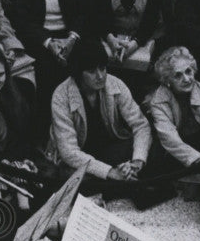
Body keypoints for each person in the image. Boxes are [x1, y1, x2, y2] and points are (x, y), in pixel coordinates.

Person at [11, 0, 99, 123]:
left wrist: (72, 38)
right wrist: (49, 43)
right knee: (46, 76)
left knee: (85, 68)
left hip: (73, 35)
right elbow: (23, 20)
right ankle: (48, 132)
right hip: (41, 40)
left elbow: (86, 12)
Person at [46, 38, 152, 186]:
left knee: (148, 149)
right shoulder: (61, 96)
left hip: (108, 149)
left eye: (103, 68)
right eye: (91, 71)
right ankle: (117, 181)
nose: (100, 76)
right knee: (69, 175)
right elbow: (69, 152)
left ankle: (122, 177)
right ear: (78, 73)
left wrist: (137, 162)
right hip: (79, 157)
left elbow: (140, 125)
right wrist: (109, 172)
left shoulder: (115, 83)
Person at [147, 46, 200, 229]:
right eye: (178, 75)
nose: (186, 78)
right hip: (174, 157)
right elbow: (171, 141)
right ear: (167, 80)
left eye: (188, 71)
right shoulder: (159, 100)